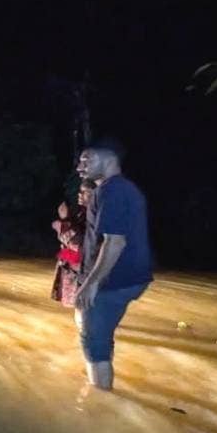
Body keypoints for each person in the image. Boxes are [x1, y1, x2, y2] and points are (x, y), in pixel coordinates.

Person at [75, 139, 153, 390]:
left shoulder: (112, 190)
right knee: (95, 334)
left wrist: (91, 283)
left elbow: (115, 243)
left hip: (113, 280)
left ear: (109, 159)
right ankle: (100, 375)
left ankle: (101, 403)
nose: (80, 167)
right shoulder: (116, 190)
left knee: (93, 344)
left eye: (87, 160)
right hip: (126, 277)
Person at [51, 178, 96, 316]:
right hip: (78, 272)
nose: (79, 195)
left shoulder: (96, 215)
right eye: (79, 191)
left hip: (85, 275)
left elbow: (79, 244)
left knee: (84, 319)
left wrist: (64, 220)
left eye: (84, 192)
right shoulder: (83, 213)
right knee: (82, 317)